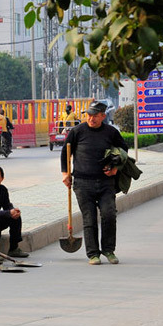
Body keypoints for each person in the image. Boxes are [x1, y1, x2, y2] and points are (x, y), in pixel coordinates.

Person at [61, 101, 128, 265]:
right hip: (83, 183)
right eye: (89, 115)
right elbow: (65, 152)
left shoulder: (111, 132)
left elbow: (124, 150)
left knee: (109, 214)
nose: (91, 118)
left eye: (95, 116)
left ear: (103, 116)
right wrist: (65, 173)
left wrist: (116, 169)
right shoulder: (77, 131)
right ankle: (93, 254)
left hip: (106, 183)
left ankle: (108, 250)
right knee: (89, 219)